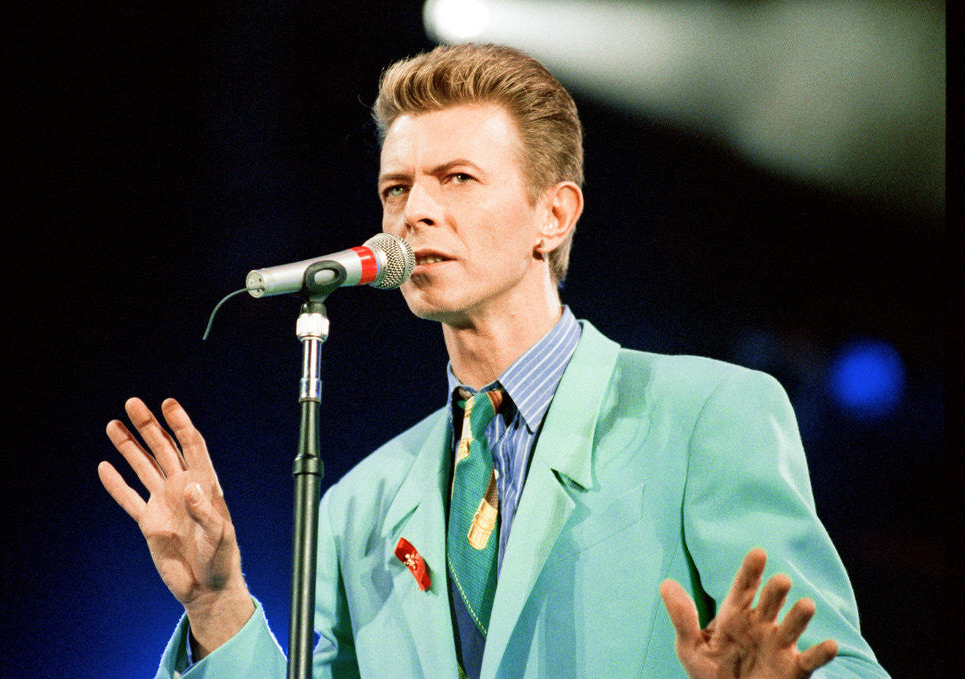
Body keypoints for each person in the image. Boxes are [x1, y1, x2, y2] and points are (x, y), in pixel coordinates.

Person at [99, 43, 889, 678]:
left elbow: (837, 662)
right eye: (396, 188)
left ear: (554, 213)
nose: (416, 211)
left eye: (458, 179)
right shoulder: (357, 509)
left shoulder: (707, 414)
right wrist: (217, 603)